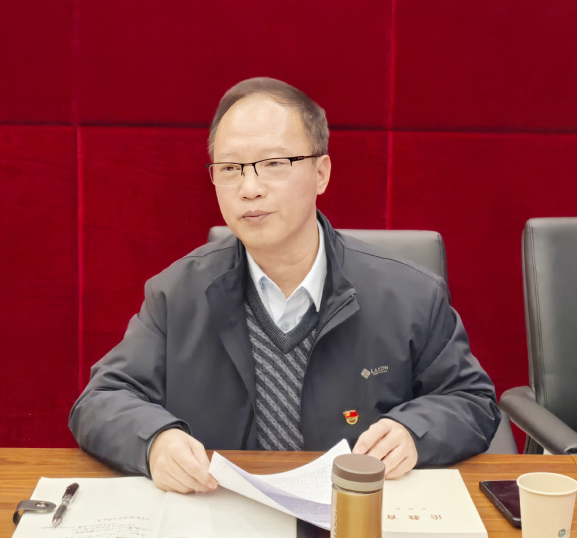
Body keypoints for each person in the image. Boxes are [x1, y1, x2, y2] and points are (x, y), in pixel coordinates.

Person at [69, 77, 500, 494]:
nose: (249, 188)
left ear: (321, 173)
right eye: (230, 168)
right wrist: (154, 440)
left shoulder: (410, 293)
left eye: (274, 164)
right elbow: (100, 400)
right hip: (224, 512)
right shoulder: (176, 293)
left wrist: (414, 431)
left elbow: (472, 401)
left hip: (357, 513)